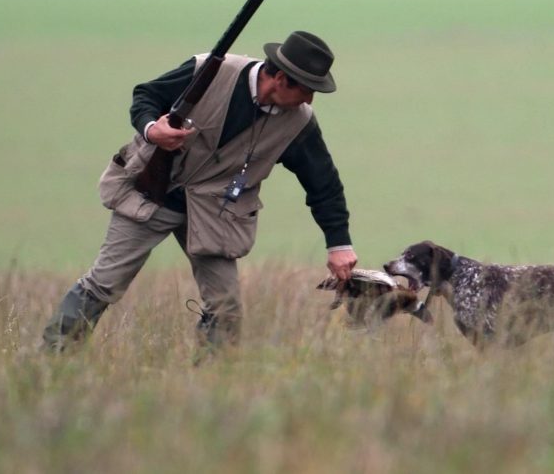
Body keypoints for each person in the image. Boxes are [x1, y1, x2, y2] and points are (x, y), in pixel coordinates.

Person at [42, 30, 358, 351]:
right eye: (307, 89)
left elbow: (323, 184)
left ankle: (210, 376)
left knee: (226, 309)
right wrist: (154, 130)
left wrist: (339, 243)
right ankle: (52, 358)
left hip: (214, 215)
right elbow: (146, 96)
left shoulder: (299, 122)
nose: (309, 100)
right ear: (280, 78)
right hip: (150, 194)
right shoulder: (209, 71)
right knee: (102, 285)